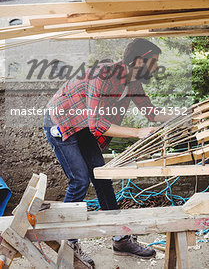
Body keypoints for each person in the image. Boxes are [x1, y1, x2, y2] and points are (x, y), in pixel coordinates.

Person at [44, 38, 172, 267]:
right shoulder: (103, 74)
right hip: (61, 122)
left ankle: (120, 239)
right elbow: (97, 124)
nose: (155, 68)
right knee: (80, 180)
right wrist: (137, 132)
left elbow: (152, 113)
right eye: (153, 62)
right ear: (139, 60)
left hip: (83, 126)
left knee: (102, 179)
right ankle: (68, 243)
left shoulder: (132, 82)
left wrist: (183, 115)